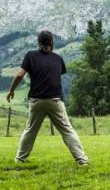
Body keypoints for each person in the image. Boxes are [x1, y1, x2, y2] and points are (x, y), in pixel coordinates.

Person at [7, 30, 89, 165]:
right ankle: (82, 160)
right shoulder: (58, 58)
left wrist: (11, 90)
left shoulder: (30, 56)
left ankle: (20, 159)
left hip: (36, 100)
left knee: (30, 131)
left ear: (38, 43)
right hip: (55, 100)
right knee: (67, 130)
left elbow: (19, 75)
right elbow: (58, 74)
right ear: (52, 43)